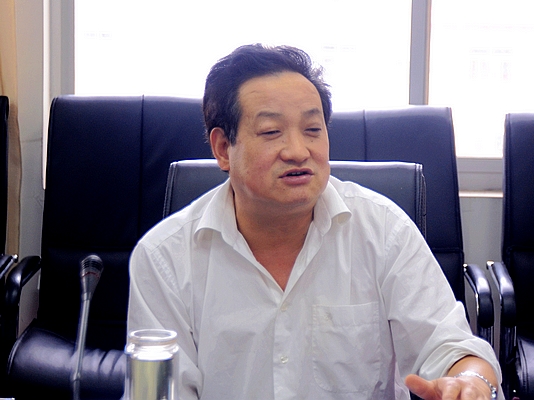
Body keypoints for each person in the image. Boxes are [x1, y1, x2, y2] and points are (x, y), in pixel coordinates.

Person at [127, 43, 502, 399]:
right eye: (271, 132)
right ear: (223, 148)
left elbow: (450, 345)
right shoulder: (164, 258)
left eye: (312, 130)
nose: (297, 151)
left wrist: (470, 381)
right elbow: (156, 391)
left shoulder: (385, 232)